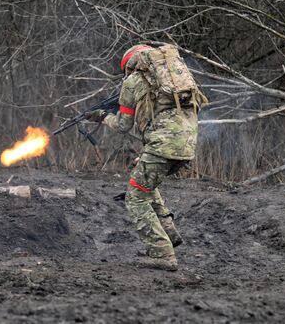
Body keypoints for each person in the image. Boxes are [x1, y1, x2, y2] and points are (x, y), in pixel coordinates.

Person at [85, 44, 207, 271]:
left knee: (135, 198)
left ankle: (163, 254)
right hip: (187, 146)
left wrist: (102, 117)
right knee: (145, 183)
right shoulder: (174, 79)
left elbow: (123, 125)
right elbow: (171, 119)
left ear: (129, 66)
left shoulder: (132, 82)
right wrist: (147, 153)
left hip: (162, 146)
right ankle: (169, 231)